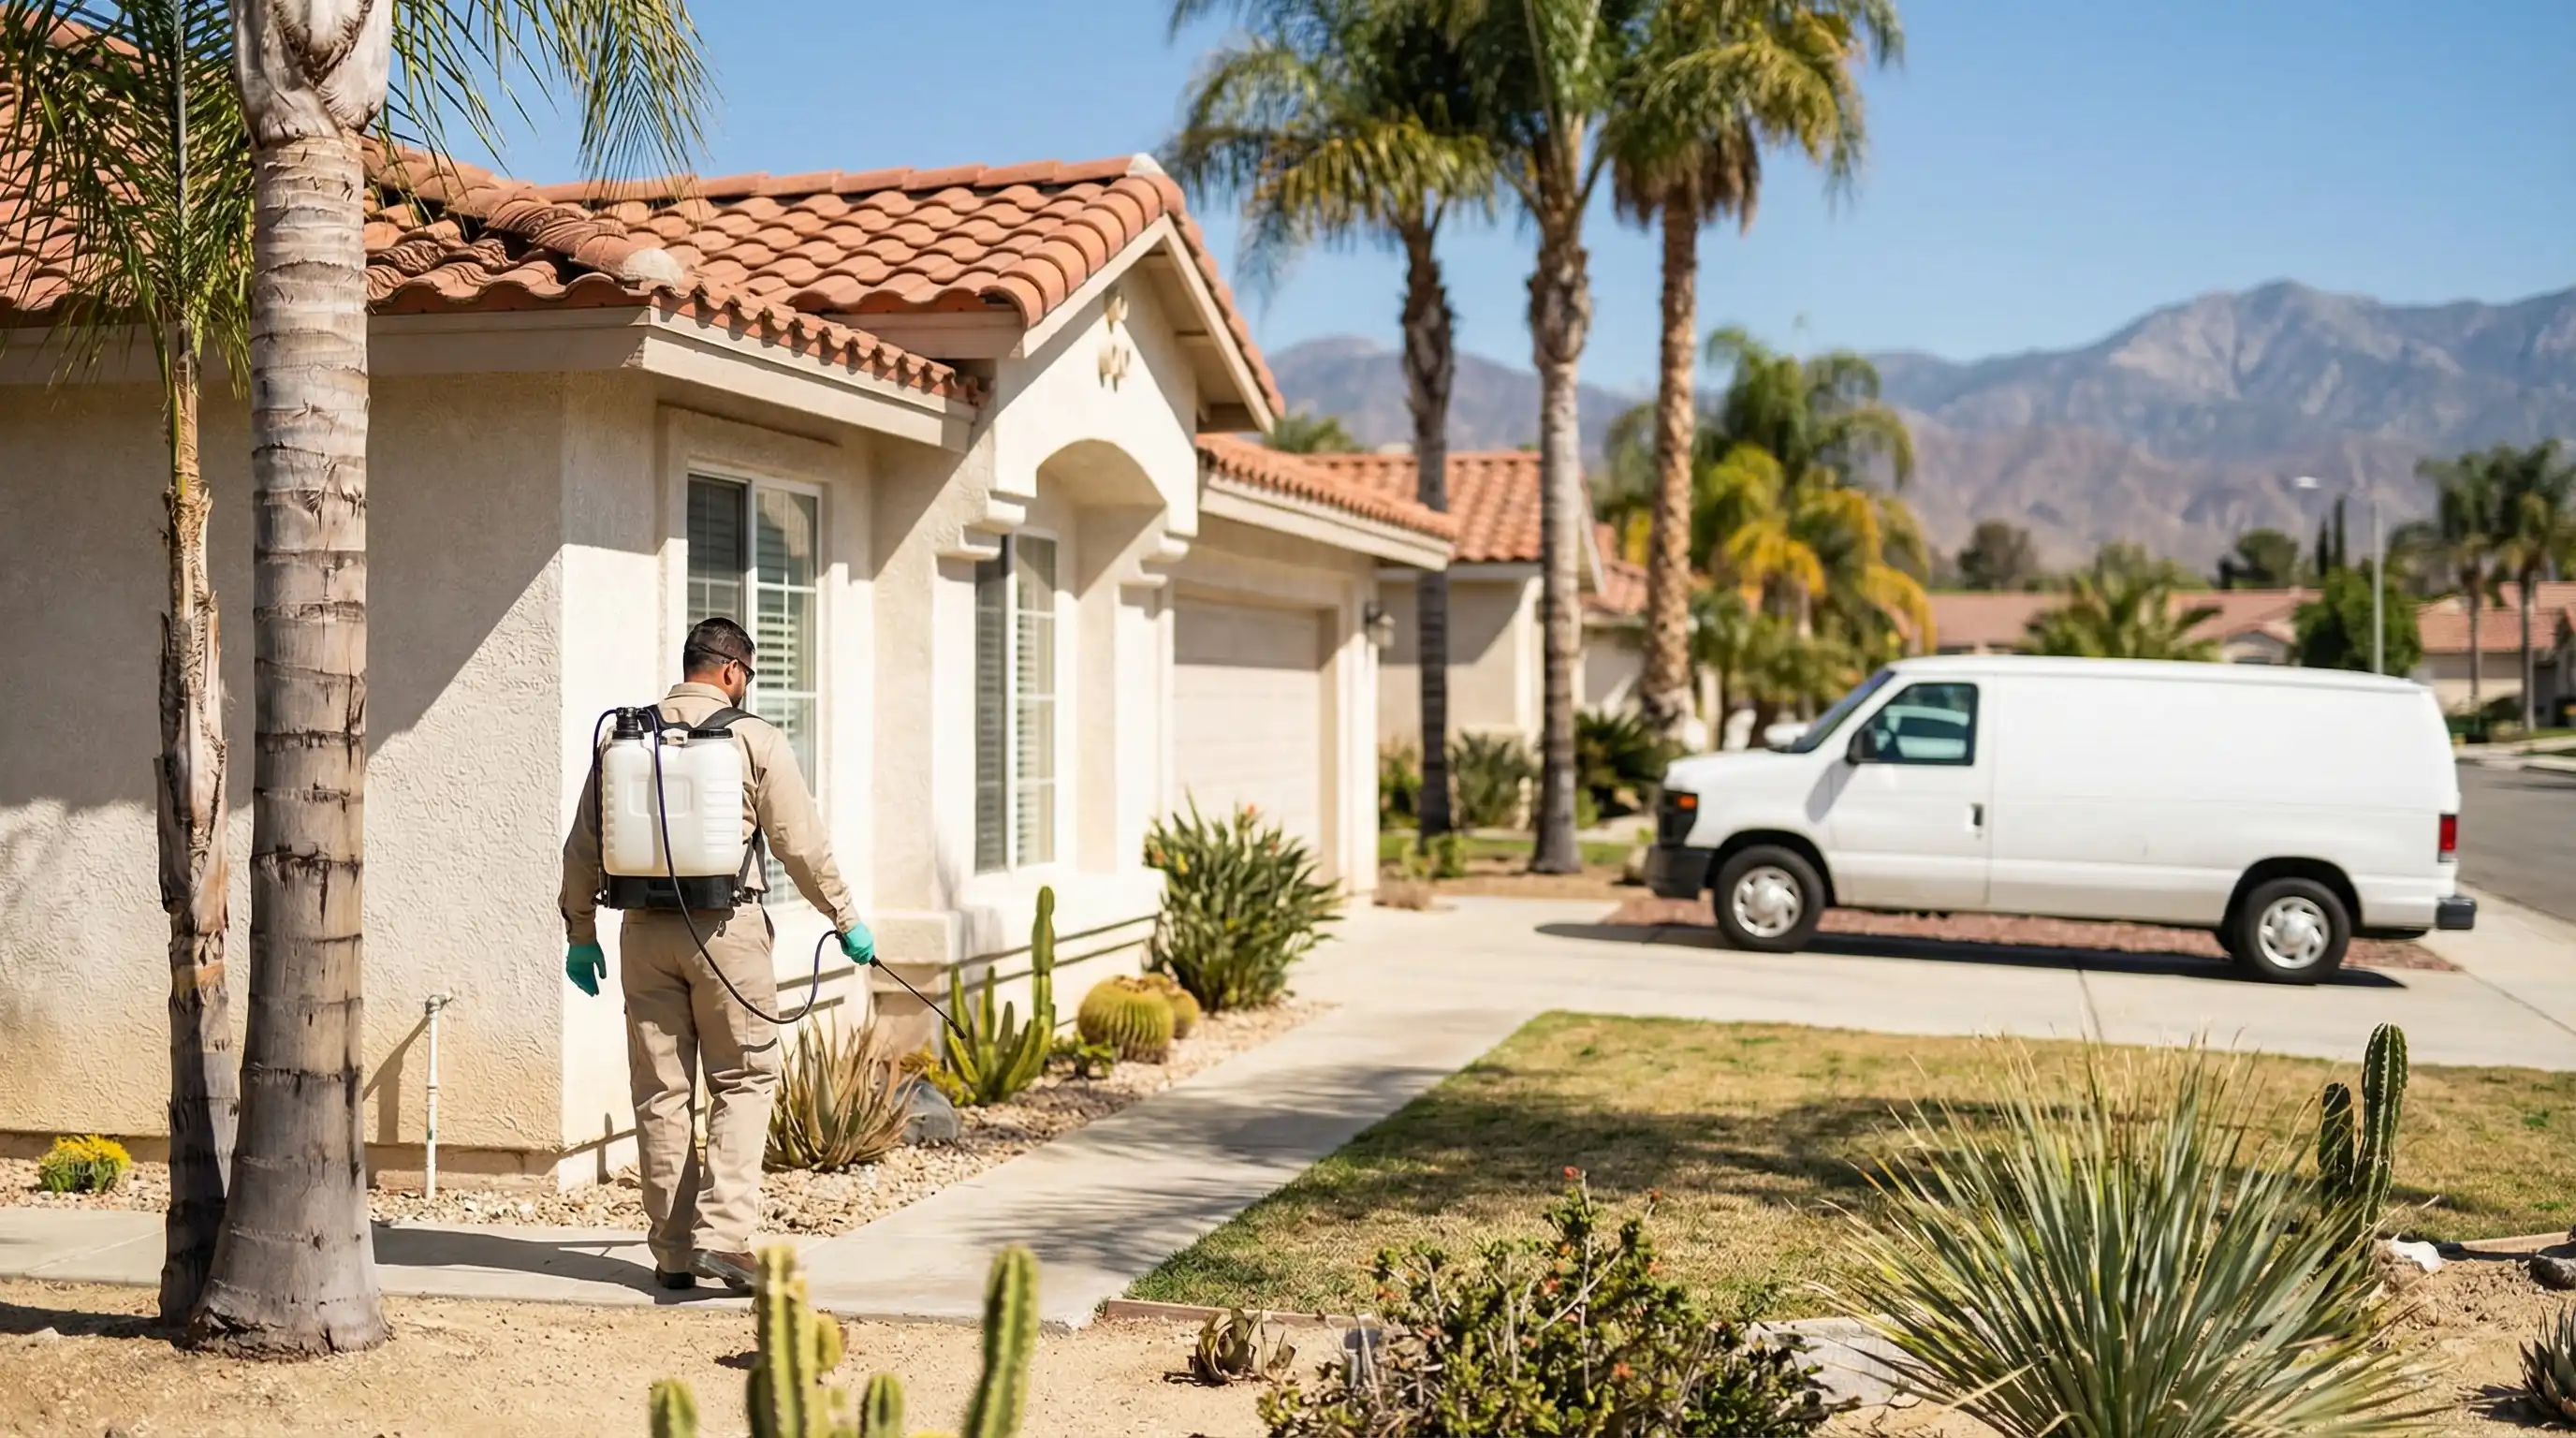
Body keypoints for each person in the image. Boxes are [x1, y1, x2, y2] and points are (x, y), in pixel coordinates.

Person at [558, 617, 875, 1293]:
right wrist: (845, 918)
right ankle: (724, 1239)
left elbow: (584, 845)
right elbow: (800, 843)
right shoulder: (751, 737)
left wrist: (579, 933)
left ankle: (673, 1252)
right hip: (726, 930)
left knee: (661, 1093)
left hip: (642, 933)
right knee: (744, 1079)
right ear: (732, 671)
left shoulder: (625, 736)